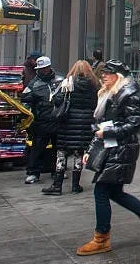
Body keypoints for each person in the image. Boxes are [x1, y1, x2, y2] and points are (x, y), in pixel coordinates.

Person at [77, 59, 140, 256]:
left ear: (119, 76)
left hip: (121, 149)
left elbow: (133, 124)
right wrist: (91, 149)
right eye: (103, 73)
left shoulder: (128, 94)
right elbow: (102, 125)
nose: (103, 76)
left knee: (101, 192)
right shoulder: (108, 93)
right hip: (111, 148)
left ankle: (101, 239)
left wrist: (106, 134)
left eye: (108, 73)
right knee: (115, 192)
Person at [42, 60, 98, 196]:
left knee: (61, 154)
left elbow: (58, 100)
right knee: (79, 154)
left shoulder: (69, 82)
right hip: (85, 124)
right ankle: (75, 185)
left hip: (67, 123)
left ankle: (57, 185)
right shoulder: (94, 85)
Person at [21, 56, 63, 184]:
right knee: (37, 148)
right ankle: (33, 172)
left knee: (59, 148)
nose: (43, 70)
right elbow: (25, 98)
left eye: (45, 68)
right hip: (41, 121)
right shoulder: (34, 83)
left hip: (57, 120)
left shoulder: (60, 80)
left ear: (49, 67)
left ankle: (58, 171)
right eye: (40, 69)